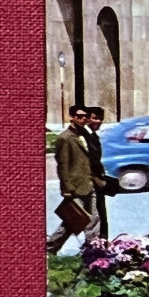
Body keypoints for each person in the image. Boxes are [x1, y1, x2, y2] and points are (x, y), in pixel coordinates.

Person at [47, 106, 100, 253]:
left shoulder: (84, 134)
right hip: (75, 188)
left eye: (86, 116)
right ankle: (50, 246)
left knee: (94, 219)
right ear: (72, 117)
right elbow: (62, 167)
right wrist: (67, 190)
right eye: (80, 116)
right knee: (73, 221)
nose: (84, 119)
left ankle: (94, 250)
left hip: (89, 184)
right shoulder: (65, 138)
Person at [82, 106, 112, 240]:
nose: (99, 121)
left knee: (100, 214)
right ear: (87, 119)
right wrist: (96, 180)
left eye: (101, 119)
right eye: (95, 118)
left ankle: (102, 242)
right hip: (89, 182)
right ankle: (94, 245)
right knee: (93, 217)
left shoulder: (93, 136)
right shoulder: (83, 137)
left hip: (97, 180)